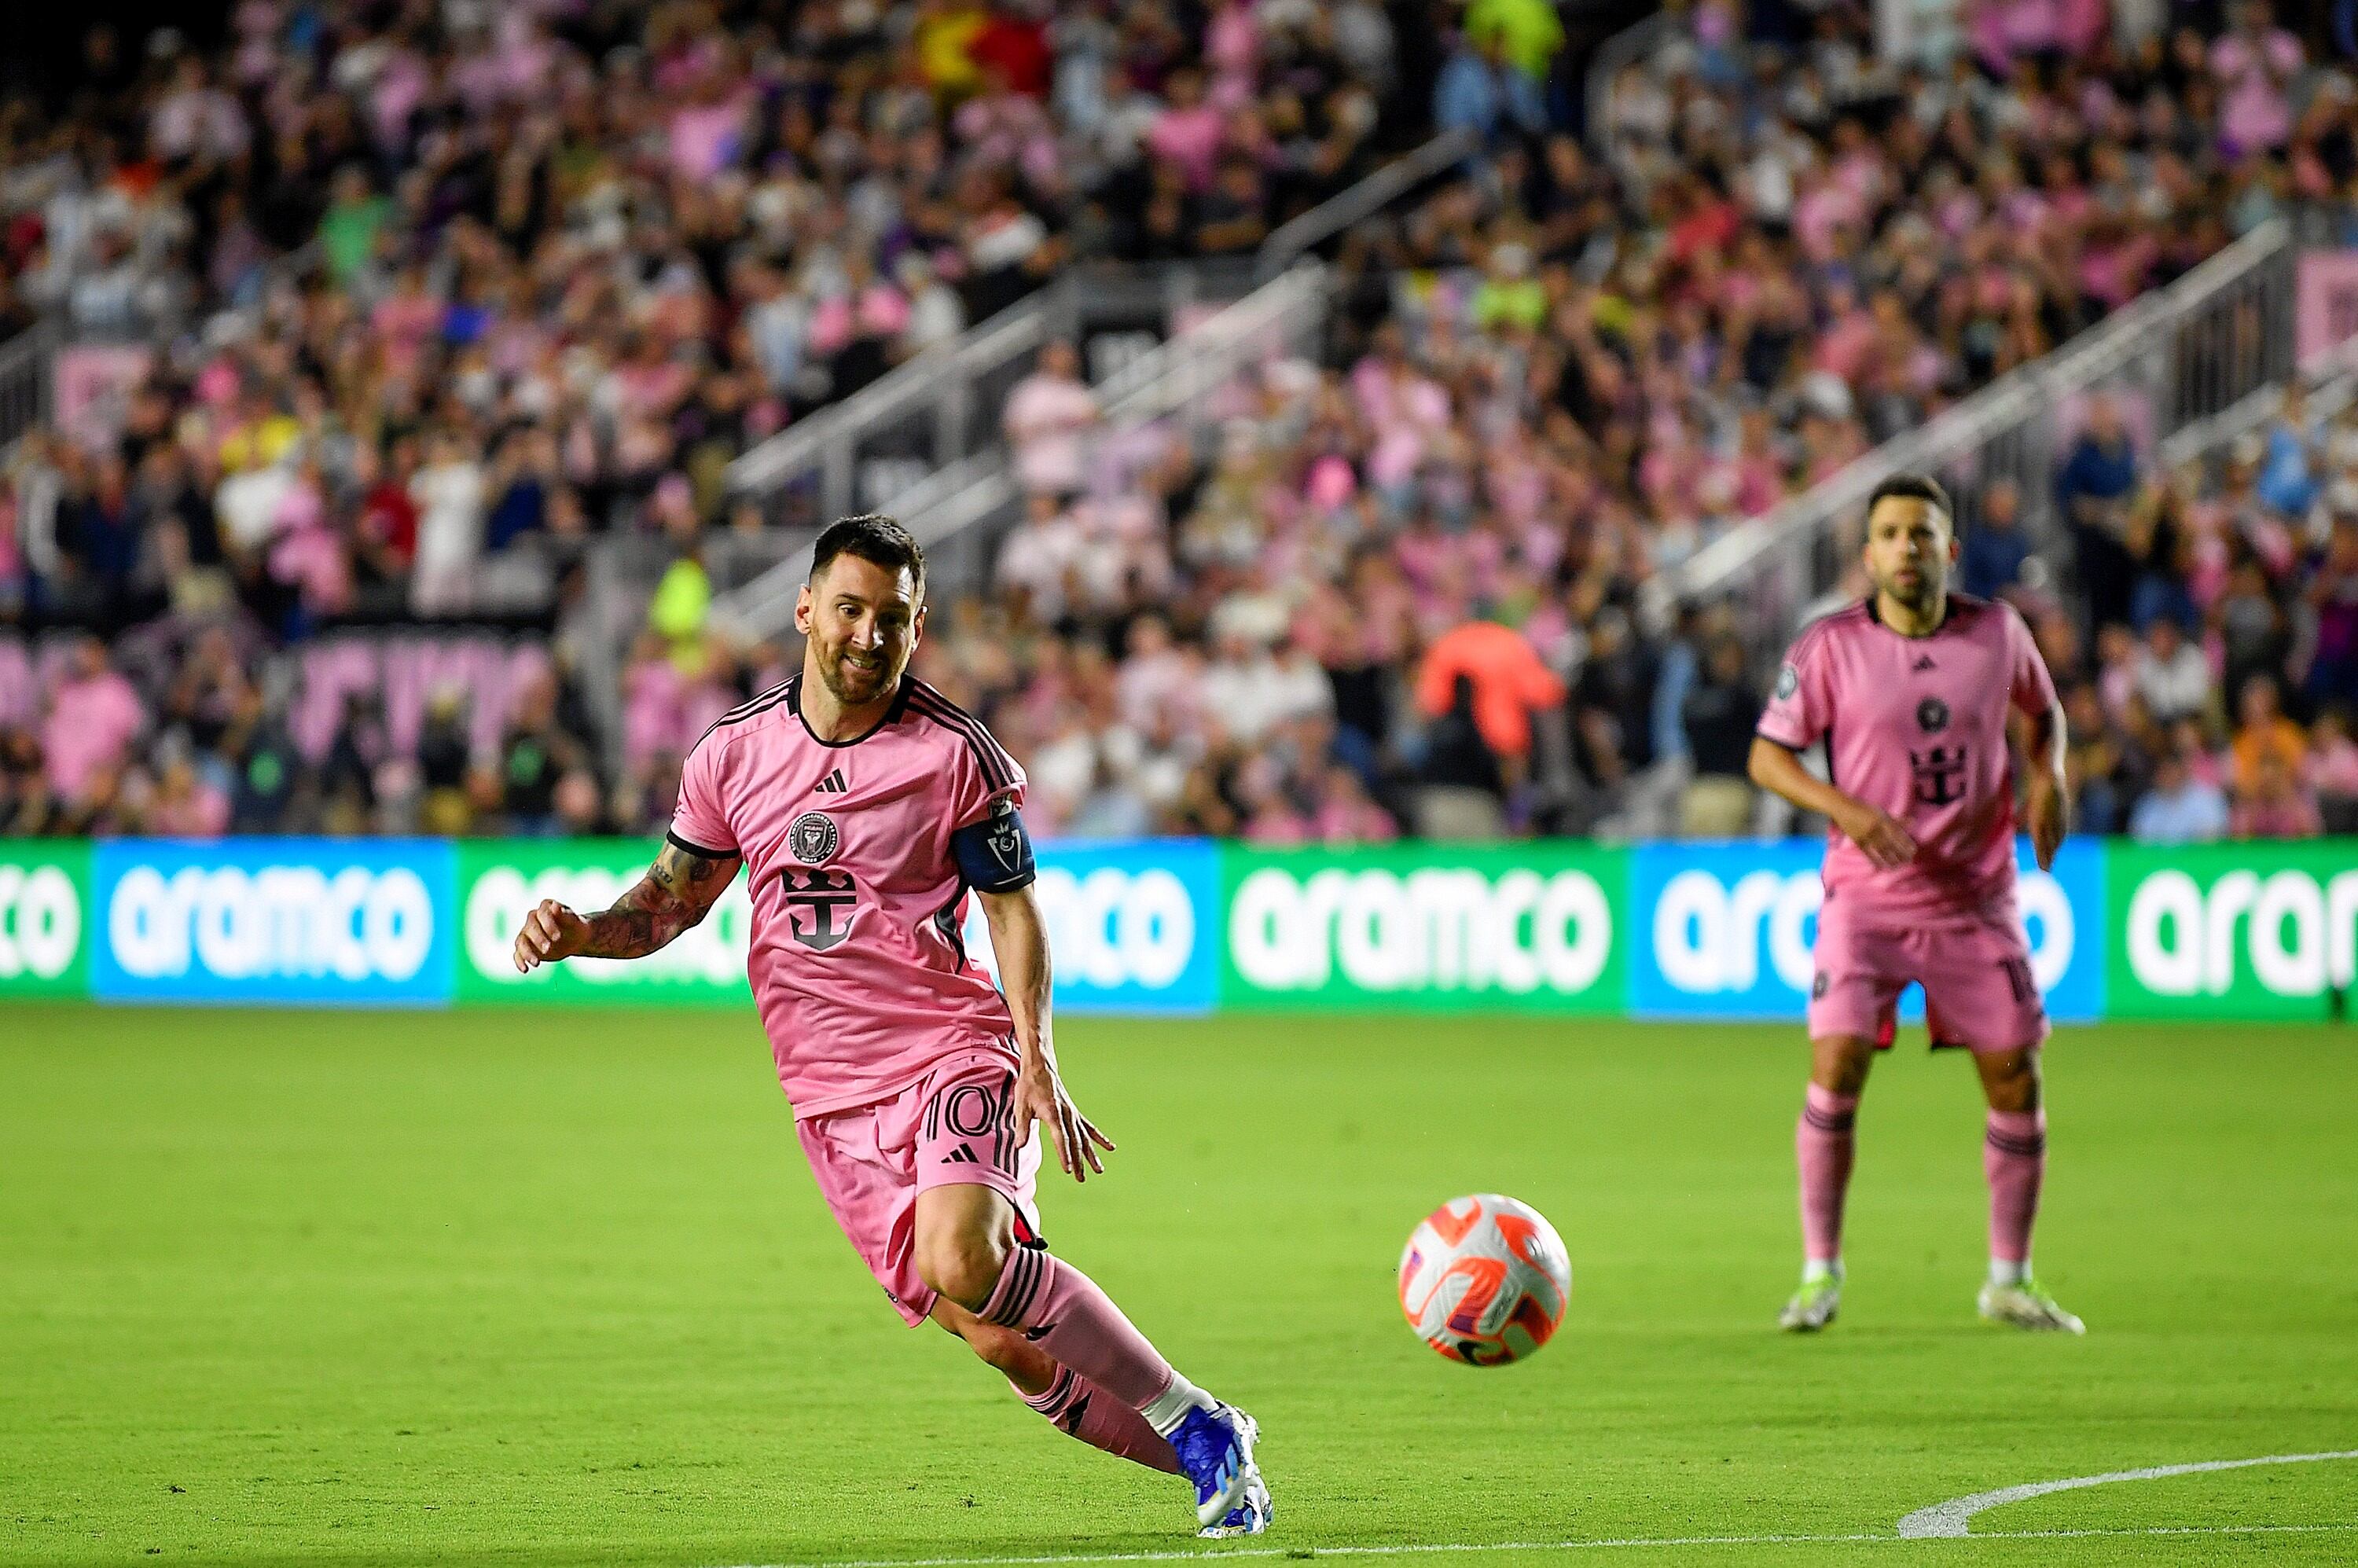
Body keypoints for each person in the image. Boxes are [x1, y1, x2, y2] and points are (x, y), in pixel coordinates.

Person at [510, 515, 1269, 1537]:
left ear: (919, 629)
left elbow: (1010, 905)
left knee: (968, 1259)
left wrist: (1036, 1053)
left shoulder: (955, 754)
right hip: (829, 1098)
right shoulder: (732, 755)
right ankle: (1211, 1450)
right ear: (805, 610)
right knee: (1001, 1340)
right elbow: (672, 900)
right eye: (853, 610)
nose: (870, 636)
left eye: (895, 619)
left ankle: (1190, 1415)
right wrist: (582, 932)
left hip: (950, 1045)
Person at [1748, 474, 2081, 1336]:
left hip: (1975, 898)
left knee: (2014, 1072)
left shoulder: (1998, 633)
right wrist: (1845, 808)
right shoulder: (1828, 647)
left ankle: (2010, 1279)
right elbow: (1769, 757)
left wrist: (2050, 780)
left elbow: (2044, 717)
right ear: (1869, 554)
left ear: (1949, 551)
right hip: (1866, 900)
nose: (1907, 547)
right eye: (1891, 533)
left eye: (1922, 534)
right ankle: (1819, 1272)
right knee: (1838, 1065)